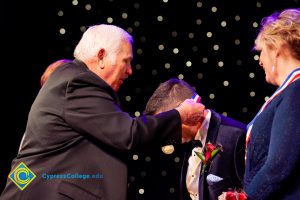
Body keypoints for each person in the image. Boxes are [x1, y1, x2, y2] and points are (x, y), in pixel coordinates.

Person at [0, 24, 205, 200]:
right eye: (126, 61)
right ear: (101, 56)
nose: (130, 70)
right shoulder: (79, 82)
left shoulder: (71, 80)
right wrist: (180, 114)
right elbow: (127, 134)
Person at [143, 78, 247, 200]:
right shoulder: (186, 144)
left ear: (185, 110)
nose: (164, 134)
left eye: (166, 124)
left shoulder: (236, 136)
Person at [243, 8, 300, 200]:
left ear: (276, 50)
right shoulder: (290, 91)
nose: (259, 61)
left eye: (261, 51)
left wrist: (246, 197)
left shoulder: (296, 91)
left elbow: (279, 165)